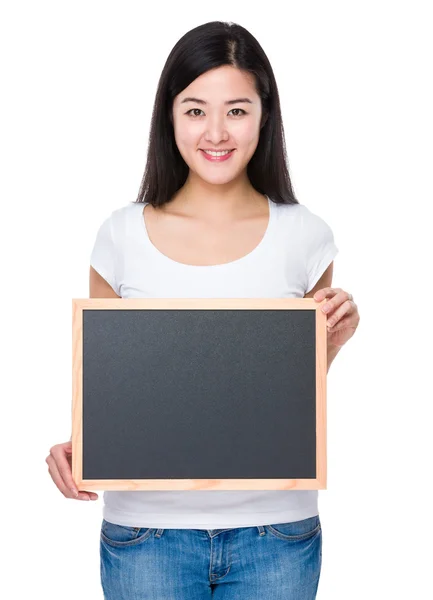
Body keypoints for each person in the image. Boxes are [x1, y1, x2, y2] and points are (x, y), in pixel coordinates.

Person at [46, 20, 360, 599]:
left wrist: (331, 343)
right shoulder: (121, 236)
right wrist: (75, 450)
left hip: (277, 533)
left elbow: (281, 401)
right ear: (170, 116)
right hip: (146, 534)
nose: (216, 131)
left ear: (265, 115)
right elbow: (116, 392)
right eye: (195, 110)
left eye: (236, 110)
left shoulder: (306, 236)